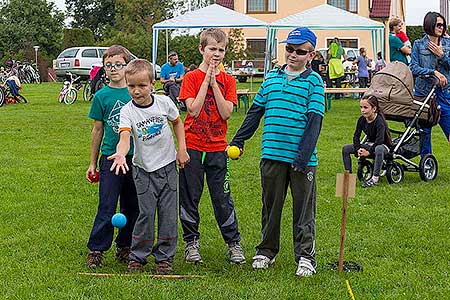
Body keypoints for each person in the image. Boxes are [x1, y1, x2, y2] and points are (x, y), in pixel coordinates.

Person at [229, 27, 325, 277]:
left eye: (300, 51)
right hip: (271, 154)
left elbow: (315, 120)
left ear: (311, 55)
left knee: (303, 209)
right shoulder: (271, 78)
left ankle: (305, 256)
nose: (293, 55)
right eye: (289, 49)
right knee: (270, 206)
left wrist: (302, 158)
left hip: (301, 160)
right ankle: (266, 250)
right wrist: (239, 140)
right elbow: (255, 113)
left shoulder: (314, 82)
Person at [108, 59, 190, 274]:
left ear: (153, 84)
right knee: (145, 214)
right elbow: (125, 136)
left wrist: (182, 149)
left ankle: (164, 258)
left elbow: (177, 123)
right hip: (142, 171)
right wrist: (120, 153)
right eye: (131, 86)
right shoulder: (127, 112)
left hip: (168, 167)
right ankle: (138, 256)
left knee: (168, 215)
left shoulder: (164, 103)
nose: (136, 91)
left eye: (141, 86)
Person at [178, 28, 245, 265]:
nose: (216, 54)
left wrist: (215, 83)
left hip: (218, 148)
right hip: (193, 147)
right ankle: (191, 243)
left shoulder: (228, 80)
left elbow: (227, 113)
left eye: (220, 50)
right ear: (201, 49)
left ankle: (233, 244)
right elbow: (193, 109)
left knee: (222, 198)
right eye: (212, 49)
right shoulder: (191, 78)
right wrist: (205, 80)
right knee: (190, 197)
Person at [85, 45, 139, 269]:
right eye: (109, 65)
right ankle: (96, 249)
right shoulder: (101, 96)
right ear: (104, 68)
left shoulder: (136, 91)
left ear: (127, 66)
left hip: (136, 158)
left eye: (118, 64)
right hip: (109, 158)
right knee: (107, 204)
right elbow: (97, 130)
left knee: (133, 205)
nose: (114, 69)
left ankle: (125, 246)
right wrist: (92, 162)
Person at [410, 11, 450, 156]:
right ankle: (427, 164)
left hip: (444, 94)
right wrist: (433, 72)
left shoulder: (448, 44)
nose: (442, 28)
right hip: (423, 94)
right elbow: (413, 68)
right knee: (424, 133)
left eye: (443, 25)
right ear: (430, 24)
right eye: (438, 25)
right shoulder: (419, 44)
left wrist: (442, 55)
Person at [342, 95, 392, 188]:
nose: (362, 110)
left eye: (365, 107)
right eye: (361, 107)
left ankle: (375, 179)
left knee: (379, 149)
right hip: (369, 144)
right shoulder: (361, 120)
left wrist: (368, 152)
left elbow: (379, 141)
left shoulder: (379, 121)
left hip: (382, 146)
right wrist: (358, 149)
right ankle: (348, 178)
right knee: (345, 149)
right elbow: (356, 136)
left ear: (374, 109)